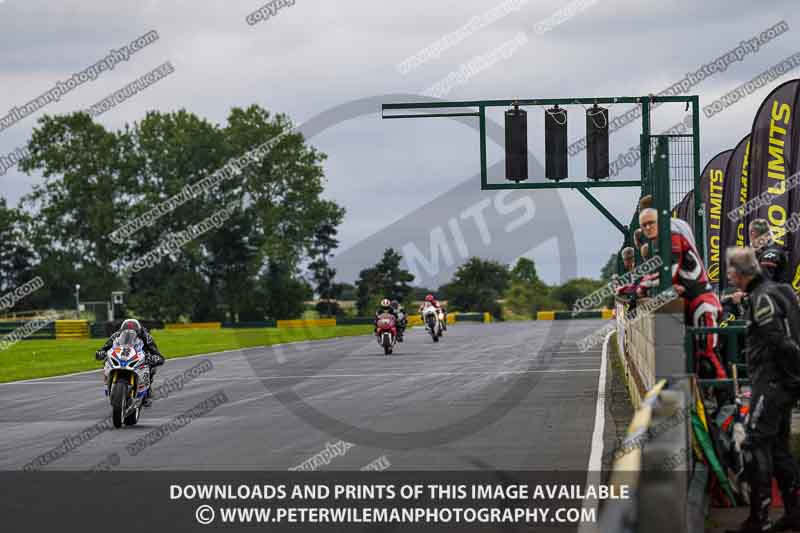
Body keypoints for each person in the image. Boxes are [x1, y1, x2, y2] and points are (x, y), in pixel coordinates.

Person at [725, 247, 800, 532]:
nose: (729, 275)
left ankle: (759, 518)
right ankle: (794, 513)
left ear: (740, 272)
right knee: (779, 447)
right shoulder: (780, 290)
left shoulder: (762, 297)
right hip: (782, 384)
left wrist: (794, 378)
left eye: (731, 270)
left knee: (755, 443)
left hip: (771, 382)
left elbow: (781, 342)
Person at [637, 207, 726, 379]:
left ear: (660, 221)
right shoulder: (666, 236)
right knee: (696, 357)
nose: (647, 228)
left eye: (651, 223)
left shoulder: (671, 234)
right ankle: (709, 400)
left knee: (707, 355)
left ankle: (726, 402)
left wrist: (644, 285)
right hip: (694, 301)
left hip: (703, 302)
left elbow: (669, 272)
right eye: (644, 225)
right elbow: (670, 274)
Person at [95, 319, 164, 407]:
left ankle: (147, 392)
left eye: (133, 332)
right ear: (122, 330)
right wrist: (101, 353)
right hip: (122, 355)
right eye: (126, 331)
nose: (129, 333)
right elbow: (104, 348)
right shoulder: (116, 335)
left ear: (138, 331)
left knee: (152, 368)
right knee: (106, 361)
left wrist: (154, 358)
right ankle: (109, 382)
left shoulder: (147, 337)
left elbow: (159, 356)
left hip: (140, 357)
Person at [750, 218, 789, 283]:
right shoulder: (759, 250)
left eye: (759, 237)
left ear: (768, 236)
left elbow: (764, 282)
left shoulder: (772, 252)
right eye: (753, 236)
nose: (755, 240)